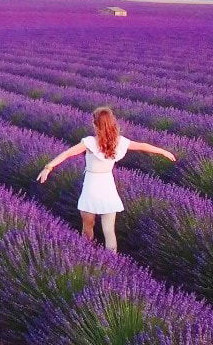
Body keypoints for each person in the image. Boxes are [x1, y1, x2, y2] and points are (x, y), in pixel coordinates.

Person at [36, 106, 176, 253]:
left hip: (91, 187)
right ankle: (112, 262)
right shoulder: (119, 142)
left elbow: (67, 153)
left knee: (87, 227)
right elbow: (143, 146)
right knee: (109, 231)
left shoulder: (89, 142)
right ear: (112, 123)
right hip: (108, 187)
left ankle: (86, 254)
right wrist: (164, 151)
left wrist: (48, 167)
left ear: (95, 124)